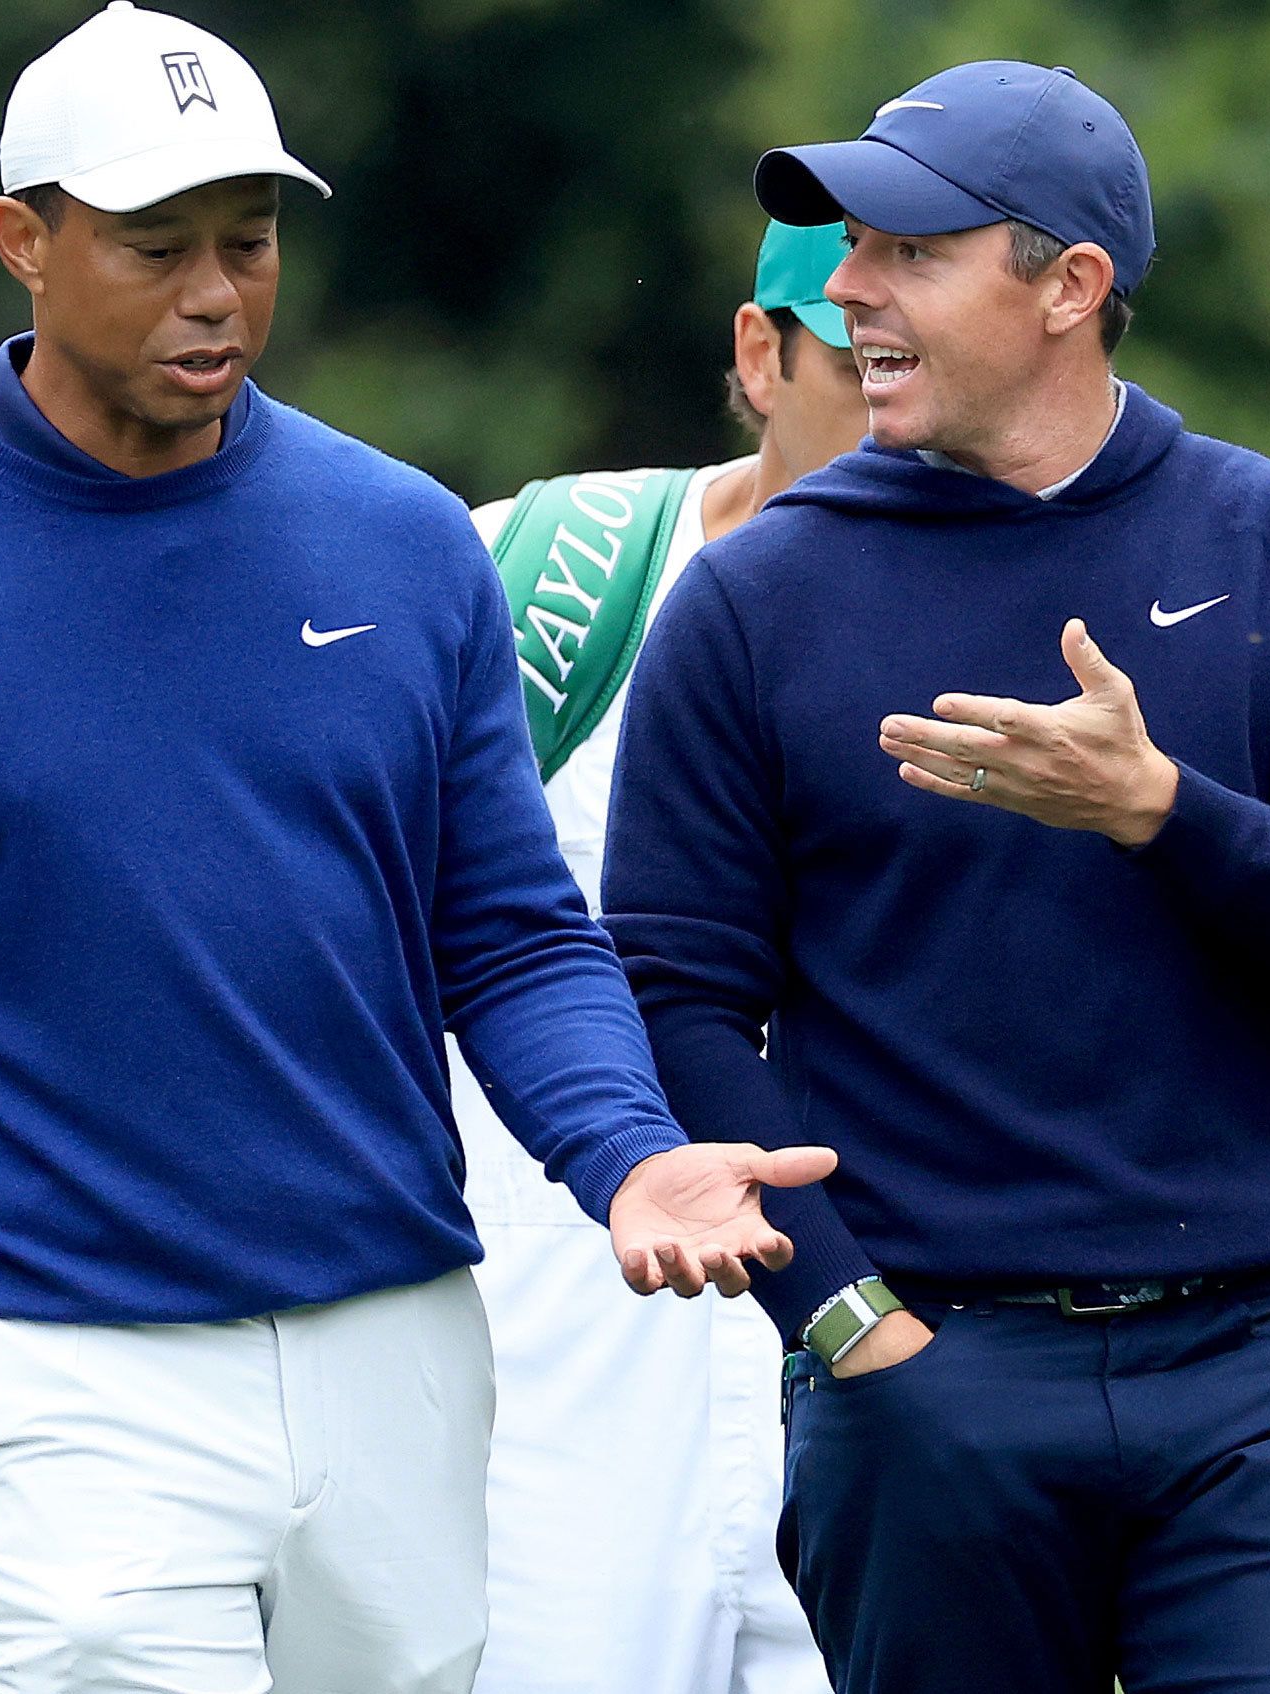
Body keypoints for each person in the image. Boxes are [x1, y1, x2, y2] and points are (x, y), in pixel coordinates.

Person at [0, 7, 831, 1692]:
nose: (216, 292)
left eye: (251, 239)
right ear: (24, 241)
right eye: (156, 249)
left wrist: (629, 1154)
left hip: (406, 1357)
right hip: (79, 1380)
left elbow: (508, 934)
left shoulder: (405, 543)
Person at [602, 61, 1270, 1694]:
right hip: (926, 1383)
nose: (850, 291)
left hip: (1256, 1376)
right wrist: (848, 1323)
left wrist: (1163, 810)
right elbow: (672, 992)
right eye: (847, 252)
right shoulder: (751, 604)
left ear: (1070, 287)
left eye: (909, 253)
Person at [454, 220, 864, 1694]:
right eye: (862, 363)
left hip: (872, 1339)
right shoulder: (537, 570)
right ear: (763, 354)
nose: (907, 411)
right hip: (561, 1367)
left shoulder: (1024, 618)